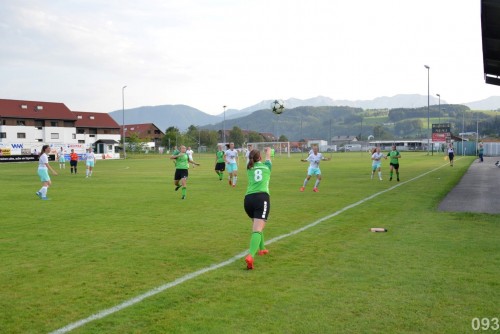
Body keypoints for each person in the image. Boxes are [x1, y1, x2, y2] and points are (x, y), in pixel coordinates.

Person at [244, 147, 272, 270]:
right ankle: (250, 256)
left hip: (248, 200)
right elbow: (268, 158)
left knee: (257, 225)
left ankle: (262, 249)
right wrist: (268, 151)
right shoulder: (267, 167)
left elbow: (253, 159)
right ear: (260, 157)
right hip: (262, 198)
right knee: (258, 228)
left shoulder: (248, 167)